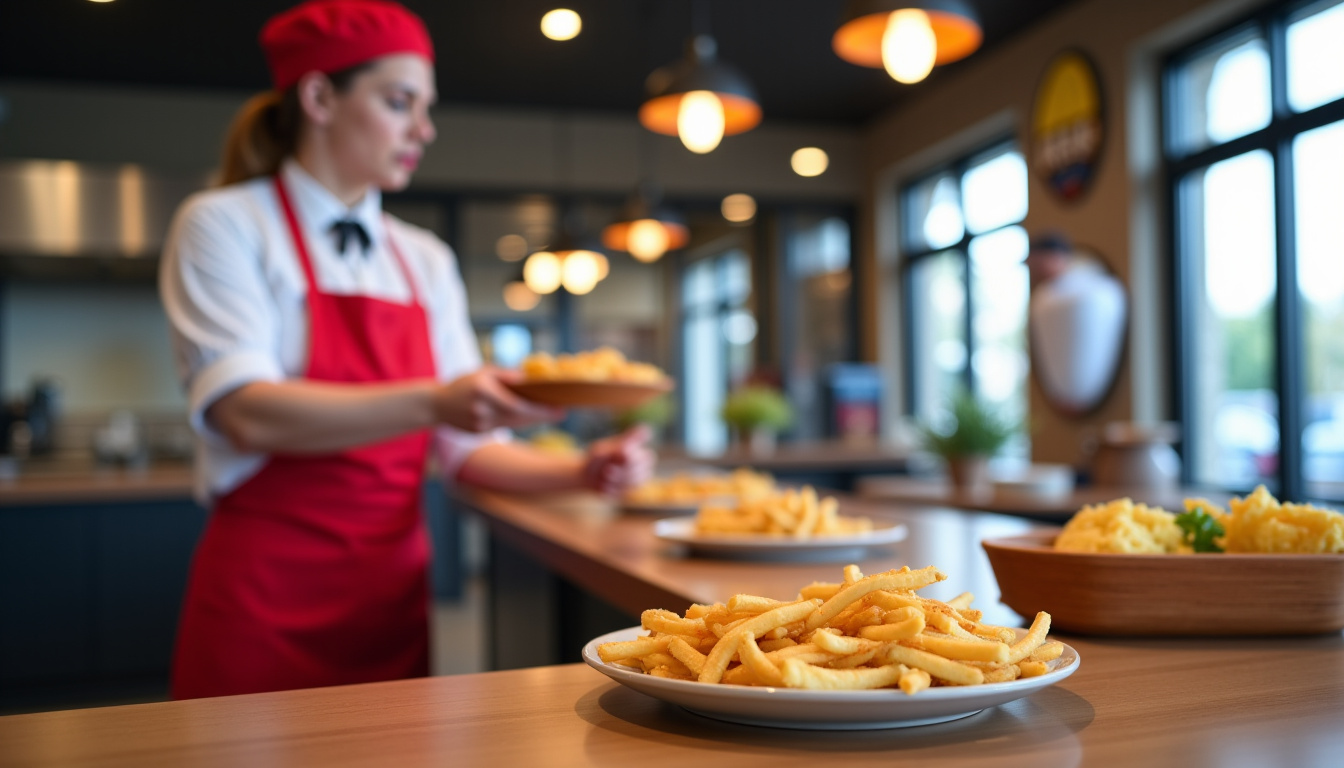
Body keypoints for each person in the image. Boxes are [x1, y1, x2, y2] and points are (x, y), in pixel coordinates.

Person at [159, 0, 654, 700]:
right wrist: (436, 398)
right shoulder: (224, 224)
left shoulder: (422, 258)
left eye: (427, 108)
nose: (424, 130)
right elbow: (246, 412)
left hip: (388, 593)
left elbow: (464, 451)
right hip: (263, 591)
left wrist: (581, 471)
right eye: (400, 103)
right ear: (320, 96)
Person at [1024, 232, 1128, 415]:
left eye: (1038, 264)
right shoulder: (1044, 297)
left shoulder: (1094, 289)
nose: (1036, 271)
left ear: (1055, 257)